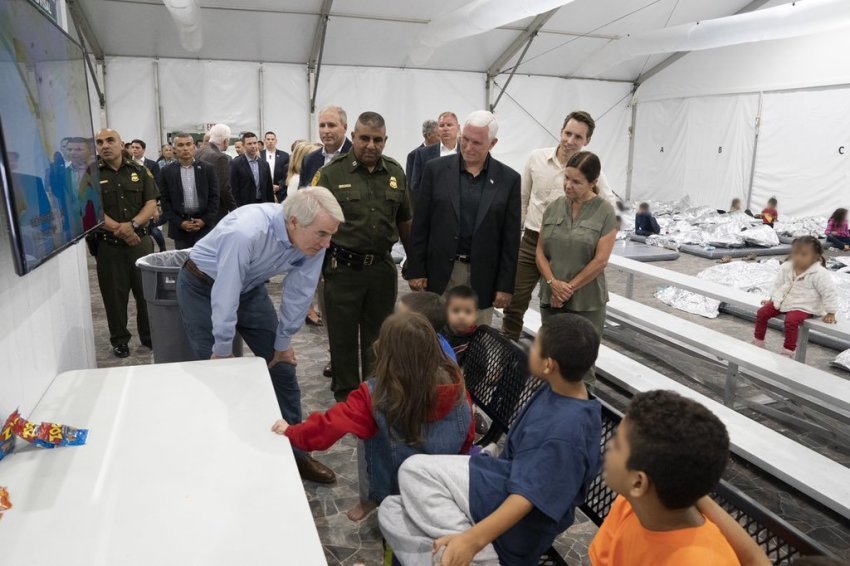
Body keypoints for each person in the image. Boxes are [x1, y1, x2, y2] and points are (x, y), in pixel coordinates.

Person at [379, 313, 602, 566]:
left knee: (413, 472)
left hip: (516, 529)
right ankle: (451, 553)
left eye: (535, 345)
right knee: (391, 509)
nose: (530, 350)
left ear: (549, 365)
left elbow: (527, 498)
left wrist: (472, 540)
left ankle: (476, 555)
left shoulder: (565, 433)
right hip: (502, 481)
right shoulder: (562, 388)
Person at [176, 187, 344, 483]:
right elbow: (225, 292)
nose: (327, 244)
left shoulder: (313, 242)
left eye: (330, 235)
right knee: (219, 377)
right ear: (293, 222)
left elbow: (300, 291)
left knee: (283, 369)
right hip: (202, 286)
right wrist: (223, 347)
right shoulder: (245, 231)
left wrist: (283, 343)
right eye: (321, 234)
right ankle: (227, 456)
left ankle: (298, 453)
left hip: (250, 287)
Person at [272, 312, 473, 521]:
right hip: (442, 483)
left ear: (385, 352)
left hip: (393, 492)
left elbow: (329, 426)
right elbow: (467, 434)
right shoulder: (458, 389)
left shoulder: (372, 395)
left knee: (366, 439)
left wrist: (292, 432)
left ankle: (369, 501)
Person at [589, 390, 769, 566]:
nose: (609, 445)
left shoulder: (702, 560)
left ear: (638, 482)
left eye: (618, 444)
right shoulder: (631, 504)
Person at [314, 111, 412, 402]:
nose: (371, 145)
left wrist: (415, 263)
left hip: (381, 269)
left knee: (379, 337)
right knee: (342, 338)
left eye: (377, 140)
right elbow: (315, 221)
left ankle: (374, 392)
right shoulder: (332, 173)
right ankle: (346, 396)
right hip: (342, 269)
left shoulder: (395, 172)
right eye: (365, 138)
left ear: (385, 140)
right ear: (353, 136)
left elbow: (405, 219)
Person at [502, 111, 618, 341]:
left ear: (587, 141)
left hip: (567, 247)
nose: (570, 140)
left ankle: (564, 357)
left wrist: (595, 238)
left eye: (578, 137)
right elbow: (523, 199)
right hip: (533, 240)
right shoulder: (537, 158)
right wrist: (516, 236)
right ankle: (507, 348)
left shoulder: (593, 172)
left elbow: (609, 206)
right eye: (568, 133)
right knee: (515, 300)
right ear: (560, 131)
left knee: (565, 301)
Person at [407, 110, 521, 326]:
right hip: (440, 272)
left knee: (477, 341)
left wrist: (505, 285)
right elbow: (421, 224)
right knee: (434, 336)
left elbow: (510, 238)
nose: (468, 147)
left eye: (477, 143)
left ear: (493, 143)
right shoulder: (435, 170)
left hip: (482, 276)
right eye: (465, 140)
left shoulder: (509, 180)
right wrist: (416, 269)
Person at [535, 151, 617, 383]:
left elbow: (601, 260)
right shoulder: (553, 208)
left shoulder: (605, 212)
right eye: (566, 179)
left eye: (576, 182)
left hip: (586, 302)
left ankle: (581, 410)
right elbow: (540, 251)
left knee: (582, 366)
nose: (568, 186)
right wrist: (552, 284)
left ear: (593, 183)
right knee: (550, 359)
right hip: (551, 299)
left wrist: (567, 289)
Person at [91, 129, 159, 358]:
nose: (105, 145)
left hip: (140, 244)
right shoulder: (89, 176)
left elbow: (151, 203)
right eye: (100, 142)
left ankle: (149, 337)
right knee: (114, 297)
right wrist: (123, 231)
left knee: (146, 294)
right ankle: (119, 340)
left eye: (110, 140)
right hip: (109, 247)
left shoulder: (140, 171)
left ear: (122, 145)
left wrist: (133, 224)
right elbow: (93, 211)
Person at [753, 236, 838, 356]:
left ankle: (788, 350)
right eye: (795, 253)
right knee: (762, 312)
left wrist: (831, 312)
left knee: (791, 321)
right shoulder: (787, 267)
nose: (798, 257)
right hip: (783, 301)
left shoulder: (820, 273)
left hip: (804, 305)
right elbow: (778, 284)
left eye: (803, 254)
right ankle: (758, 341)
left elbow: (829, 292)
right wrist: (772, 299)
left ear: (815, 256)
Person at [158, 133, 219, 249]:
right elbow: (165, 201)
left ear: (194, 147)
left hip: (204, 226)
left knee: (204, 262)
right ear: (174, 149)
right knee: (184, 262)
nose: (185, 148)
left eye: (188, 144)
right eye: (180, 145)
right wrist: (180, 223)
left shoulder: (207, 169)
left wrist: (204, 220)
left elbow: (214, 198)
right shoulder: (167, 171)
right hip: (180, 227)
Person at [300, 105, 352, 188]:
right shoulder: (309, 160)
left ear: (345, 127)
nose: (326, 131)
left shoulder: (356, 156)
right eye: (322, 125)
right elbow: (303, 195)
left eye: (331, 125)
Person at [409, 111, 460, 194]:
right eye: (441, 125)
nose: (445, 129)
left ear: (458, 128)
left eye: (449, 125)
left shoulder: (467, 153)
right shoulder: (422, 154)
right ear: (438, 130)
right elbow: (415, 188)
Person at [397, 292, 457, 362]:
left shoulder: (440, 357)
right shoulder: (415, 340)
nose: (393, 320)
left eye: (400, 318)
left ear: (421, 327)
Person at [196, 123, 237, 223]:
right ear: (225, 141)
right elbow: (224, 188)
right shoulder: (220, 157)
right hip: (215, 209)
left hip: (200, 206)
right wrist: (235, 211)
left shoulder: (200, 151)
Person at [230, 131, 274, 206]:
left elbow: (269, 189)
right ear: (243, 146)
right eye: (249, 144)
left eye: (255, 143)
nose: (253, 146)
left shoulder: (264, 164)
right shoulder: (236, 163)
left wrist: (271, 206)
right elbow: (234, 189)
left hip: (262, 204)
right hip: (245, 206)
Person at [441, 285, 478, 363]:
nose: (461, 316)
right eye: (456, 310)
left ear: (475, 316)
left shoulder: (476, 340)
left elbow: (480, 369)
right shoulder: (439, 333)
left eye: (468, 311)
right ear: (446, 312)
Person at [261, 131, 290, 202]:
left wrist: (280, 186)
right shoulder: (259, 155)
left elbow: (288, 173)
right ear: (264, 141)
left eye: (272, 139)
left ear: (276, 141)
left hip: (280, 192)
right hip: (263, 192)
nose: (270, 141)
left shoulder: (284, 155)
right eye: (268, 139)